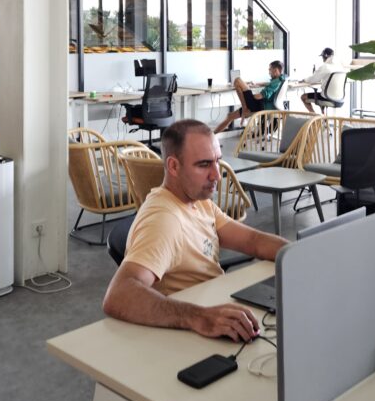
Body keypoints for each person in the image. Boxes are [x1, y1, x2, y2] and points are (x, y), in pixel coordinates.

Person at [102, 119, 287, 341]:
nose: (216, 175)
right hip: (189, 335)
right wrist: (200, 318)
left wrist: (299, 254)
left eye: (217, 161)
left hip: (215, 308)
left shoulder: (198, 201)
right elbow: (119, 294)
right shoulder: (165, 220)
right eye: (204, 165)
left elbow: (252, 240)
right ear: (173, 166)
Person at [213, 60, 285, 134]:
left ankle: (245, 108)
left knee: (237, 80)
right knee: (230, 116)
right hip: (260, 105)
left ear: (276, 70)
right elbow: (270, 85)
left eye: (270, 70)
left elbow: (259, 96)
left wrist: (248, 94)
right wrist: (256, 85)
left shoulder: (276, 82)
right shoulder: (282, 79)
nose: (269, 72)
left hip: (259, 105)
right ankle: (212, 136)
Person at [301, 47, 345, 113]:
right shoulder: (340, 67)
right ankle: (323, 117)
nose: (322, 59)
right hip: (340, 99)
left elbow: (313, 79)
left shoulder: (325, 66)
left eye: (322, 57)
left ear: (325, 56)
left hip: (327, 98)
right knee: (321, 96)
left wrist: (304, 80)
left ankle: (315, 116)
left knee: (303, 97)